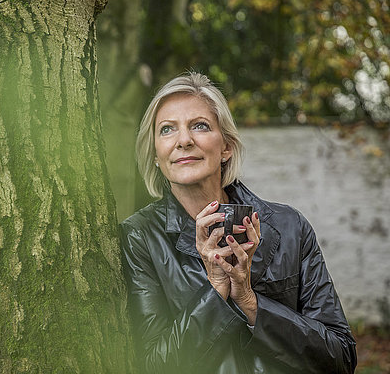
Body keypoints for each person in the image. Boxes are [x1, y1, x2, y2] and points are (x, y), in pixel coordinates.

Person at [119, 72, 357, 373]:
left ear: (226, 147)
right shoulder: (139, 237)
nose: (183, 141)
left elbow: (341, 358)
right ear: (155, 153)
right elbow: (153, 366)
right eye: (167, 130)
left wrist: (249, 301)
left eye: (200, 126)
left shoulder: (289, 227)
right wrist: (215, 290)